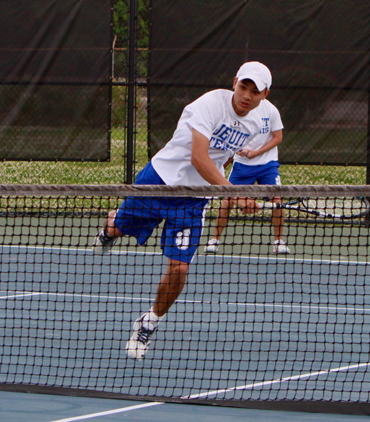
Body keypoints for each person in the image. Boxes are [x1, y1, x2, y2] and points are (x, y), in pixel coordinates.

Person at [92, 61, 283, 360]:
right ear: (234, 82)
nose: (246, 95)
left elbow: (223, 157)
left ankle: (148, 323)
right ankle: (111, 226)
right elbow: (199, 157)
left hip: (193, 201)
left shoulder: (257, 122)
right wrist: (234, 194)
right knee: (119, 229)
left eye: (254, 91)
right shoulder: (210, 104)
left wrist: (239, 193)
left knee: (180, 268)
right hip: (159, 181)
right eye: (243, 86)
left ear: (265, 94)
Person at [204, 128, 290, 255]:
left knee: (277, 200)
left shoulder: (272, 115)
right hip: (242, 164)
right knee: (229, 200)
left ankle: (278, 242)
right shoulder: (240, 117)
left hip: (268, 164)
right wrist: (238, 151)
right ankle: (214, 240)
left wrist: (256, 153)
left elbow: (278, 137)